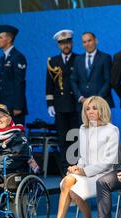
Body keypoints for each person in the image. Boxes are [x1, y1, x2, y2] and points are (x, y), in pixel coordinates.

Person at [47, 96, 119, 218]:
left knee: (73, 189)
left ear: (102, 109)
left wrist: (84, 172)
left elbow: (109, 161)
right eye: (87, 109)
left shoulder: (112, 130)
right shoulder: (83, 129)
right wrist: (77, 168)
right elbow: (83, 157)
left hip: (103, 175)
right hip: (86, 173)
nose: (90, 111)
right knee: (67, 180)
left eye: (94, 108)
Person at [46, 29, 80, 175]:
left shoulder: (79, 59)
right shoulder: (53, 61)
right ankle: (65, 169)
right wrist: (50, 104)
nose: (65, 45)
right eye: (62, 43)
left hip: (75, 105)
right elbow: (49, 84)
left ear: (71, 43)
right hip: (60, 105)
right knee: (62, 138)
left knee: (76, 137)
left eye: (67, 42)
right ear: (58, 45)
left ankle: (76, 167)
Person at [71, 32, 114, 110]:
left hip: (101, 104)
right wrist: (80, 98)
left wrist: (97, 99)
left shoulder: (105, 57)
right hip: (83, 105)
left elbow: (109, 81)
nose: (87, 44)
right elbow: (73, 80)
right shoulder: (78, 59)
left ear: (96, 41)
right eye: (84, 42)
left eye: (89, 40)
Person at [0, 25, 27, 125]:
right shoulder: (2, 59)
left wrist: (18, 106)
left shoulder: (17, 57)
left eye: (0, 37)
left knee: (15, 135)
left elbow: (19, 82)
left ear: (9, 39)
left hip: (14, 106)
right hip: (3, 105)